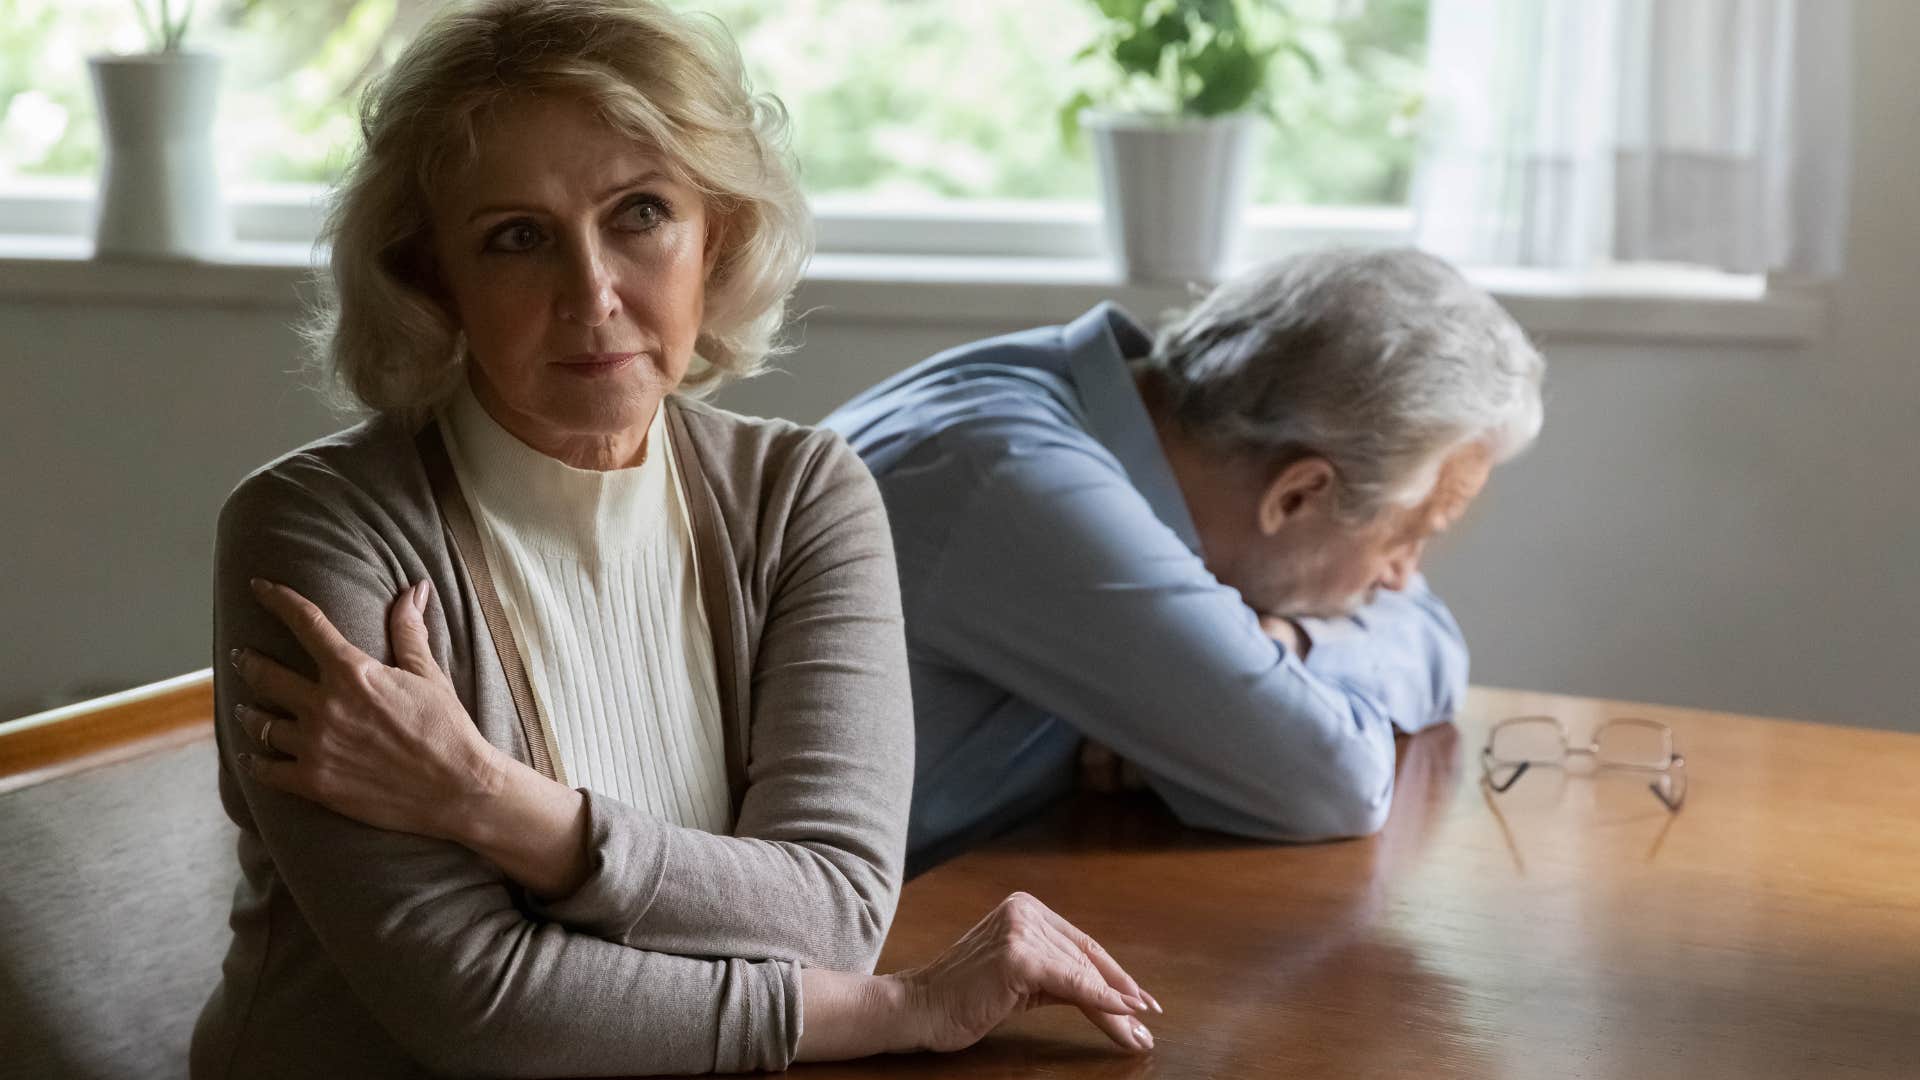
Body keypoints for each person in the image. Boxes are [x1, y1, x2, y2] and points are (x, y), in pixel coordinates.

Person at [192, 2, 1156, 1076]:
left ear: (720, 236)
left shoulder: (803, 497)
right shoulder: (320, 531)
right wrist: (898, 1011)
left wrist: (494, 801)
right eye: (517, 238)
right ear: (433, 280)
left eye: (640, 213)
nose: (591, 294)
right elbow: (480, 1007)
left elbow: (831, 917)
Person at [823, 248, 1546, 869]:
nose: (1403, 576)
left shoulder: (1119, 414)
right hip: (799, 981)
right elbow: (1332, 784)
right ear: (1297, 495)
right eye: (1407, 536)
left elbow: (1434, 640)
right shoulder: (1014, 477)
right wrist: (1259, 700)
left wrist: (1291, 642)